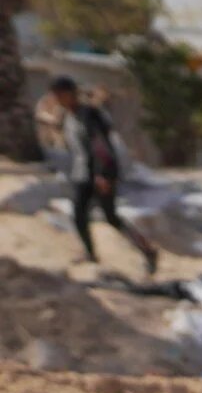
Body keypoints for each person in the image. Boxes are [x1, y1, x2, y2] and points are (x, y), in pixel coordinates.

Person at [52, 77, 158, 275]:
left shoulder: (89, 115)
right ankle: (90, 254)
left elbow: (101, 145)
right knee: (79, 215)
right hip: (82, 174)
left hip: (101, 174)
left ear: (70, 93)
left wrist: (104, 174)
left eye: (60, 94)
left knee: (111, 217)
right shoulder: (69, 117)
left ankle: (148, 251)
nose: (58, 99)